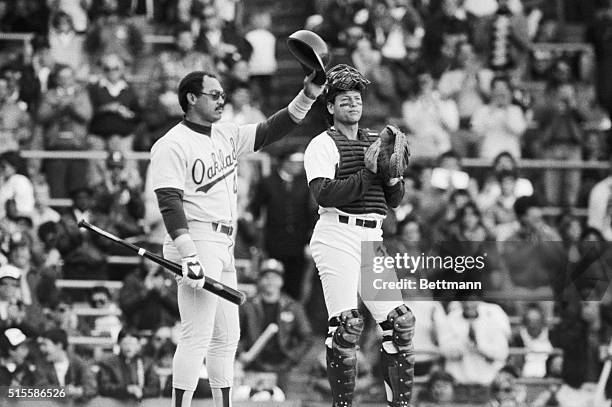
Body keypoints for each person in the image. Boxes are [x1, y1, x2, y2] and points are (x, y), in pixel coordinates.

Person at [149, 67, 324, 407]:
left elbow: (275, 127)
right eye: (214, 95)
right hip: (196, 237)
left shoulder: (225, 133)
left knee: (228, 336)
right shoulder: (171, 144)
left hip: (223, 243)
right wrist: (188, 254)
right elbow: (169, 202)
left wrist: (309, 94)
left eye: (222, 95)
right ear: (191, 98)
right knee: (196, 334)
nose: (221, 100)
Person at [303, 64, 414, 406]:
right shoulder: (322, 144)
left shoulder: (374, 140)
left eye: (356, 98)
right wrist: (369, 172)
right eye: (344, 99)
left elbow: (393, 200)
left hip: (372, 237)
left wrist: (393, 176)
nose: (352, 103)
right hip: (337, 231)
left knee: (401, 324)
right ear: (331, 107)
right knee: (347, 325)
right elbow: (324, 194)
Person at [248, 151, 315, 299]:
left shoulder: (304, 184)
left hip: (298, 244)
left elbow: (310, 213)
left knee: (296, 284)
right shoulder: (267, 182)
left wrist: (309, 241)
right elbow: (255, 210)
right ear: (285, 162)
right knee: (273, 279)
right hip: (274, 243)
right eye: (295, 162)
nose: (299, 167)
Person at [237, 259, 313, 389]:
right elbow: (234, 333)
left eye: (275, 277)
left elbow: (307, 338)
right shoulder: (248, 306)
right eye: (266, 277)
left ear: (281, 281)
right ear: (260, 280)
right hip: (253, 366)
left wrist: (292, 357)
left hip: (282, 368)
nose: (270, 281)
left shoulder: (293, 307)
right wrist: (240, 353)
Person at [97, 328, 160, 400]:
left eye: (132, 343)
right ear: (119, 344)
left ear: (138, 345)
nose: (129, 347)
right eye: (125, 343)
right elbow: (104, 387)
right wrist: (126, 390)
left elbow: (155, 388)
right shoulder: (108, 363)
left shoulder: (147, 363)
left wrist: (142, 391)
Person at [37, 328, 98, 401]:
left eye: (45, 345)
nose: (42, 348)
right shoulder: (41, 365)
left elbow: (91, 387)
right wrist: (64, 391)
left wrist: (79, 391)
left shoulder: (78, 363)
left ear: (59, 345)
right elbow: (40, 388)